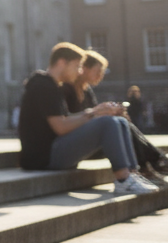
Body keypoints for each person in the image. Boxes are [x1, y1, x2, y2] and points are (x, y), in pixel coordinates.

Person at [17, 42, 156, 194]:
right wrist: (94, 113)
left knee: (120, 121)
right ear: (62, 63)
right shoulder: (43, 85)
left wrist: (96, 112)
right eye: (77, 66)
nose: (79, 71)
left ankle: (132, 174)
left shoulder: (53, 85)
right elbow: (61, 127)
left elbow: (65, 120)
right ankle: (123, 180)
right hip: (44, 157)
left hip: (53, 150)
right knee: (107, 123)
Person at [64, 53, 168, 183]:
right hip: (80, 144)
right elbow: (78, 120)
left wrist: (111, 113)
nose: (101, 76)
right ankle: (155, 161)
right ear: (84, 69)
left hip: (92, 138)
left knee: (122, 121)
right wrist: (102, 114)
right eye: (97, 71)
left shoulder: (87, 90)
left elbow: (95, 116)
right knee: (118, 124)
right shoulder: (67, 89)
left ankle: (151, 164)